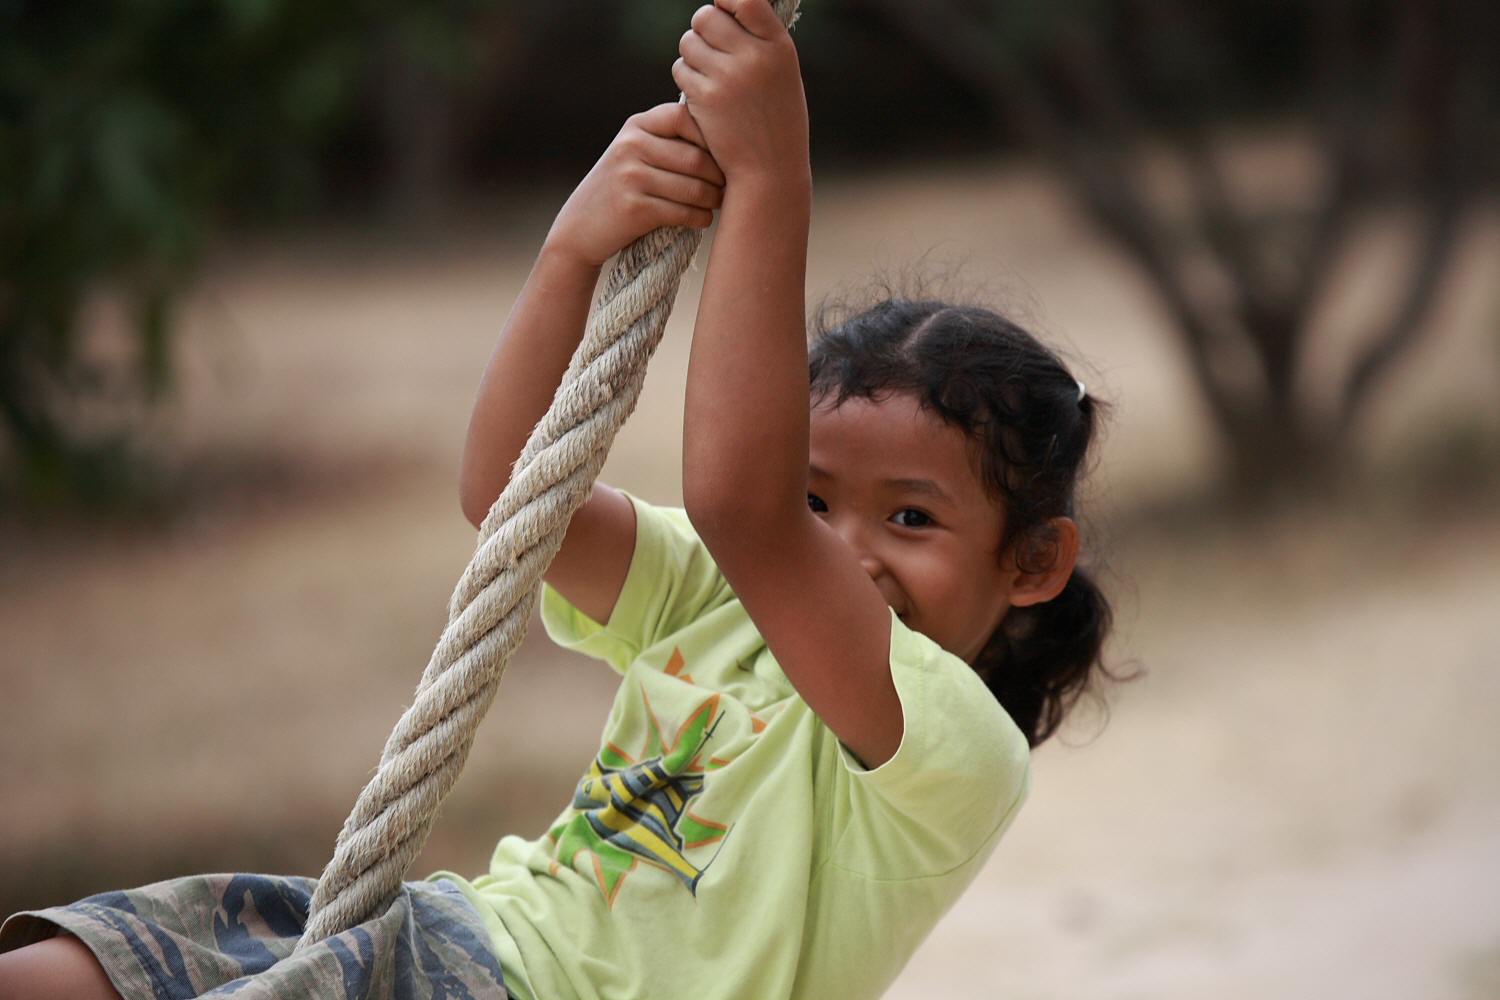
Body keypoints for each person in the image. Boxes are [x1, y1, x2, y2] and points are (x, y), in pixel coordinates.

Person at [0, 1, 1113, 997]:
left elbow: (743, 504)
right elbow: (512, 497)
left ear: (1031, 562)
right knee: (60, 970)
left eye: (910, 517)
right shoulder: (716, 602)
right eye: (819, 501)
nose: (852, 549)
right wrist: (572, 252)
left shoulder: (955, 755)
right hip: (446, 936)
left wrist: (772, 176)